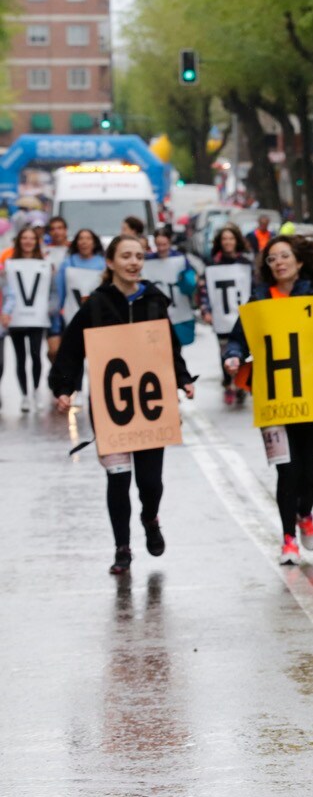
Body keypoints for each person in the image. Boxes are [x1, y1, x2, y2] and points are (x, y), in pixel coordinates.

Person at [50, 234, 196, 574]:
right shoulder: (96, 305)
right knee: (118, 480)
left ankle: (150, 517)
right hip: (110, 409)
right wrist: (64, 388)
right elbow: (71, 350)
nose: (134, 262)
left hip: (151, 408)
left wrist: (183, 378)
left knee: (150, 483)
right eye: (126, 256)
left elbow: (169, 347)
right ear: (111, 262)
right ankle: (122, 549)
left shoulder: (154, 301)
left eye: (139, 257)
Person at [223, 236, 313, 565]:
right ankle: (287, 541)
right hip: (273, 403)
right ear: (267, 267)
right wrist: (234, 357)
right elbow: (237, 340)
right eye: (272, 259)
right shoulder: (258, 303)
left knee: (311, 473)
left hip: (312, 399)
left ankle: (305, 513)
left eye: (285, 256)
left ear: (299, 263)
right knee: (286, 471)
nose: (279, 262)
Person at [201, 224, 255, 405]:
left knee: (243, 350)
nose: (228, 242)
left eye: (231, 238)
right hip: (222, 317)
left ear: (236, 240)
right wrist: (206, 309)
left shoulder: (246, 264)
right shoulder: (212, 265)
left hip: (242, 316)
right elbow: (205, 289)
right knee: (225, 352)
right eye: (224, 239)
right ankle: (228, 383)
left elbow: (253, 288)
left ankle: (240, 384)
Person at [2, 225, 52, 411]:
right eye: (24, 238)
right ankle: (24, 395)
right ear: (19, 241)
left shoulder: (45, 262)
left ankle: (37, 389)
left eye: (31, 238)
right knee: (20, 358)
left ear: (36, 241)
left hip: (37, 319)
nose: (28, 241)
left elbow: (51, 289)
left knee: (36, 355)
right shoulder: (9, 263)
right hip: (16, 319)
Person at [48, 227, 106, 362]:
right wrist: (56, 325)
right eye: (81, 238)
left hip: (96, 322)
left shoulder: (102, 264)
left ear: (94, 242)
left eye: (88, 238)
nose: (84, 242)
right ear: (76, 242)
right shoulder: (67, 263)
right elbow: (60, 294)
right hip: (71, 320)